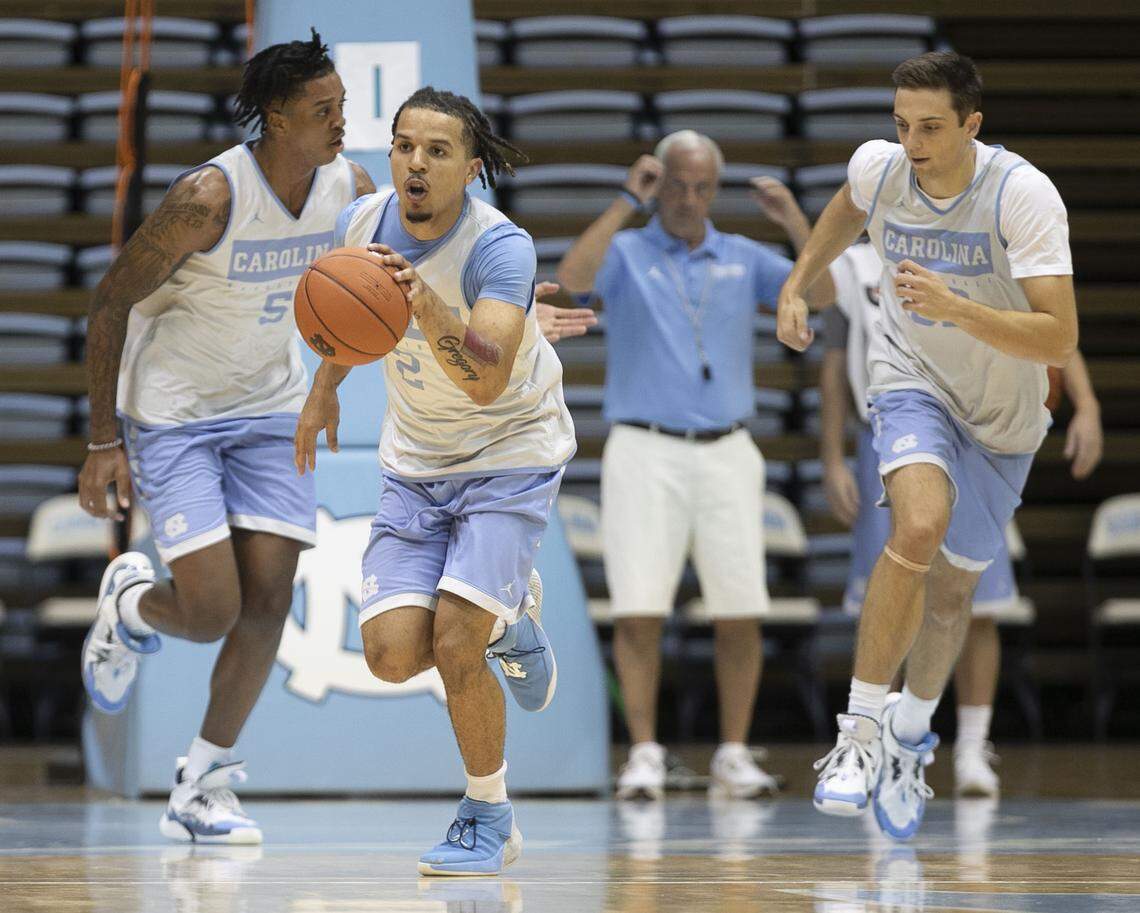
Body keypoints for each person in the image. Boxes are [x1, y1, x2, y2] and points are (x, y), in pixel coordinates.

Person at [77, 32, 372, 844]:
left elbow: (360, 303)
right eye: (323, 110)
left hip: (270, 407)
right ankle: (132, 607)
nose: (341, 122)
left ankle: (202, 782)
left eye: (344, 106)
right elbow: (107, 304)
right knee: (211, 611)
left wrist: (322, 390)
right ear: (275, 119)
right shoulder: (208, 198)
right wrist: (105, 440)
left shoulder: (350, 186)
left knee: (271, 597)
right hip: (174, 412)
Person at [776, 50, 1078, 839]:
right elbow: (847, 206)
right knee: (915, 526)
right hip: (911, 378)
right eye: (902, 124)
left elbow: (1061, 333)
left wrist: (958, 305)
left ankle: (912, 738)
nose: (913, 142)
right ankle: (860, 733)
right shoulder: (883, 168)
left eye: (932, 128)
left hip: (1004, 416)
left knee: (952, 599)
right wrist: (798, 279)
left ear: (972, 126)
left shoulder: (1024, 196)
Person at [294, 87, 574, 876]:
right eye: (404, 146)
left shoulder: (501, 249)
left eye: (438, 151)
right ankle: (511, 615)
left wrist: (424, 307)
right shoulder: (364, 221)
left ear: (471, 168)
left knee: (456, 639)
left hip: (509, 450)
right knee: (388, 654)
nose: (416, 163)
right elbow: (344, 319)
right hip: (417, 460)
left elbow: (484, 380)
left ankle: (488, 814)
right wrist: (323, 391)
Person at [556, 133, 833, 801]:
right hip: (643, 448)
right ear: (660, 182)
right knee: (638, 607)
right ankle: (645, 751)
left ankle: (734, 753)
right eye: (675, 184)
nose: (686, 199)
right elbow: (572, 280)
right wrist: (628, 200)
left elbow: (819, 296)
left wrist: (795, 220)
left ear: (716, 189)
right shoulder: (626, 250)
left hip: (728, 450)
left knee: (740, 609)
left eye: (700, 187)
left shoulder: (743, 256)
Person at [820, 241, 1102, 798]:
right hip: (907, 419)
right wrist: (798, 266)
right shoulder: (861, 256)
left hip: (993, 430)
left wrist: (1087, 405)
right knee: (903, 571)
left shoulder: (1006, 225)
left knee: (970, 601)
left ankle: (960, 744)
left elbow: (1057, 330)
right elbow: (829, 354)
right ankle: (864, 739)